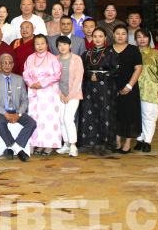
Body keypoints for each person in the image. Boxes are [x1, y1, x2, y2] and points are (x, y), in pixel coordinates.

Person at [0, 53, 34, 162]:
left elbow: (25, 100)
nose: (7, 65)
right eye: (4, 63)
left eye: (9, 63)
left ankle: (11, 149)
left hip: (16, 111)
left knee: (31, 123)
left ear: (12, 65)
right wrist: (5, 113)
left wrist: (19, 114)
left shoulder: (19, 79)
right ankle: (18, 150)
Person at [80, 28, 119, 156]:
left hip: (105, 88)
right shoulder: (87, 53)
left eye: (100, 36)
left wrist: (100, 76)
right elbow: (80, 69)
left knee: (104, 114)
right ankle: (93, 143)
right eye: (95, 36)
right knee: (90, 114)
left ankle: (103, 144)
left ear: (105, 38)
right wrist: (89, 75)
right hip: (89, 88)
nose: (97, 39)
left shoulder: (111, 52)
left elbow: (116, 70)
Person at [22, 34, 63, 156]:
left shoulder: (53, 58)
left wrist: (42, 83)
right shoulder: (30, 58)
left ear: (47, 44)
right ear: (34, 45)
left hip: (49, 93)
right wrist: (31, 84)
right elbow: (25, 74)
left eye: (42, 43)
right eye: (37, 44)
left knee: (49, 118)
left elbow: (57, 75)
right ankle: (38, 143)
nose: (40, 46)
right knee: (36, 118)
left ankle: (49, 145)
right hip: (34, 92)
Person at [134, 28, 158, 153]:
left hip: (151, 89)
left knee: (149, 116)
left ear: (149, 39)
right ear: (135, 39)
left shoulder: (155, 53)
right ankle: (139, 139)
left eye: (145, 36)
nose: (142, 39)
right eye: (139, 37)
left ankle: (147, 141)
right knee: (137, 115)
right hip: (135, 89)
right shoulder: (133, 52)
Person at [112, 24, 143, 154]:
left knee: (130, 114)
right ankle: (117, 140)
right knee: (116, 115)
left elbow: (138, 68)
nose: (120, 36)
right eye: (117, 33)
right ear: (113, 35)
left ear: (127, 36)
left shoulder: (133, 49)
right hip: (112, 88)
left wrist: (129, 86)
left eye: (123, 34)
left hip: (130, 88)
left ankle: (128, 142)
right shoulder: (108, 49)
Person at [54, 36, 84, 157]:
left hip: (74, 95)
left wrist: (69, 95)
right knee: (61, 119)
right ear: (57, 47)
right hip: (60, 94)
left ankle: (73, 146)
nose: (62, 47)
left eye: (65, 44)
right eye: (60, 45)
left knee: (68, 119)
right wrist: (60, 94)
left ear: (70, 45)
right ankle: (66, 144)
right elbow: (53, 79)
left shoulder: (77, 59)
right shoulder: (55, 59)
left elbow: (78, 79)